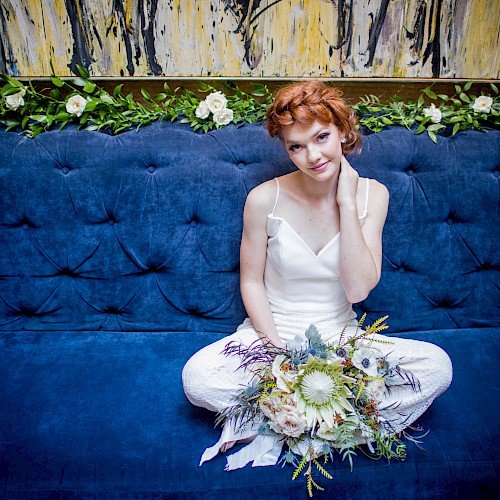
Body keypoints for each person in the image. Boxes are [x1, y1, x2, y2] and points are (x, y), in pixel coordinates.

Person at [182, 80, 452, 469]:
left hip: (343, 343)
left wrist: (345, 200)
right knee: (198, 379)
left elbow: (358, 289)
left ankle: (291, 421)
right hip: (268, 338)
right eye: (296, 146)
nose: (312, 155)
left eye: (321, 137)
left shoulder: (373, 195)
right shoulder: (263, 198)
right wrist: (276, 354)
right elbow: (251, 281)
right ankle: (334, 423)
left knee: (436, 367)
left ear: (342, 131)